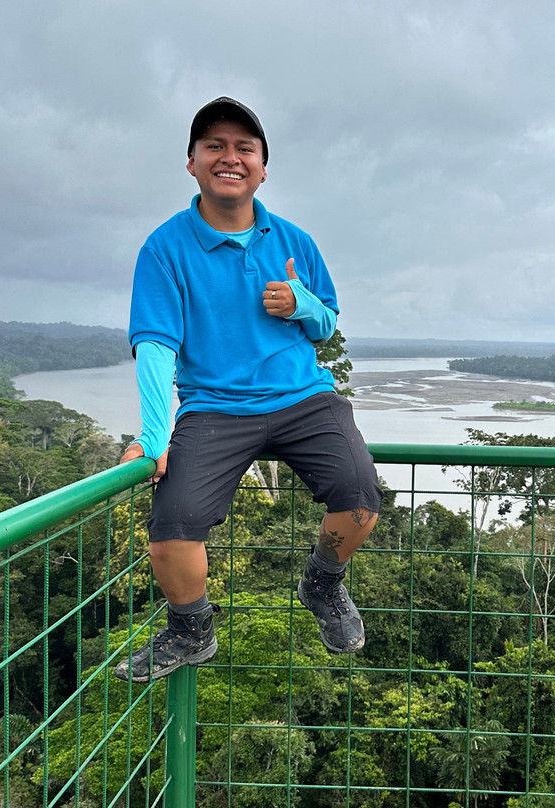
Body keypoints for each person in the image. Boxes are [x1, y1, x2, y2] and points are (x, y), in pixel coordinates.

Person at [114, 97, 381, 683]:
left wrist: (302, 303)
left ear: (263, 168)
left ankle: (322, 585)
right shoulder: (165, 249)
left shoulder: (294, 241)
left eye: (244, 148)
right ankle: (190, 629)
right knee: (171, 527)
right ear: (191, 163)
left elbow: (328, 320)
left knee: (360, 498)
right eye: (214, 145)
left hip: (303, 397)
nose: (229, 157)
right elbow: (156, 344)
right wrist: (155, 434)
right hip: (215, 406)